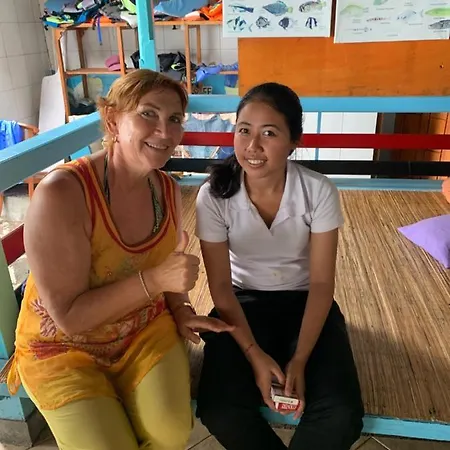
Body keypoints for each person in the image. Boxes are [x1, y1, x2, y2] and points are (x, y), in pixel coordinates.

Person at [6, 69, 233, 450]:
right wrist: (157, 281)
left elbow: (166, 264)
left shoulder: (166, 189)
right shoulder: (64, 194)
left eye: (175, 119)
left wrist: (181, 309)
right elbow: (69, 317)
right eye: (148, 114)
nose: (164, 131)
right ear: (112, 120)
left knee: (171, 432)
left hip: (143, 329)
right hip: (61, 347)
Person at [195, 82, 365, 450]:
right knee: (221, 410)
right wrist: (254, 355)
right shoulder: (214, 195)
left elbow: (322, 284)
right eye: (244, 130)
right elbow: (221, 287)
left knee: (340, 413)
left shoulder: (317, 191)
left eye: (269, 133)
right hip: (241, 304)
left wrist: (300, 358)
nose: (252, 146)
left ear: (293, 142)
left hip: (306, 303)